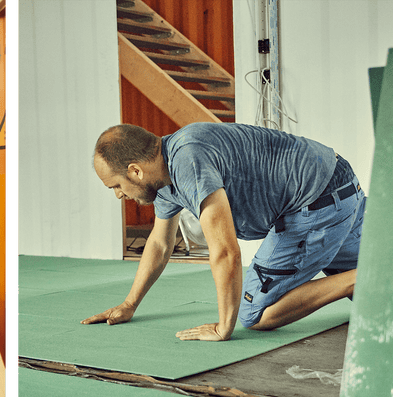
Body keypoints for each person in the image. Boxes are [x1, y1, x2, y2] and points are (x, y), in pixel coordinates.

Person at [82, 122, 366, 341]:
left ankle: (355, 279)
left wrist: (223, 327)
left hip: (316, 200)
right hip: (339, 182)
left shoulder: (187, 161)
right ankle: (365, 277)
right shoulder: (165, 176)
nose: (119, 195)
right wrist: (130, 304)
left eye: (116, 185)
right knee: (377, 295)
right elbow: (159, 243)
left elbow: (226, 251)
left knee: (255, 315)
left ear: (135, 171)